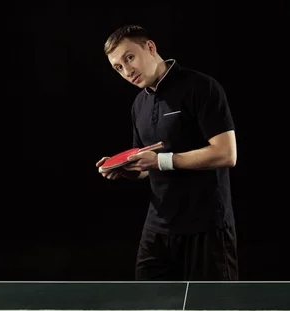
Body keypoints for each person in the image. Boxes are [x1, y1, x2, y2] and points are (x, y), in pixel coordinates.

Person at [96, 24, 238, 281]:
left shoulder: (202, 87)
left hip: (206, 229)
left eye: (129, 58)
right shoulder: (138, 105)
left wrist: (160, 161)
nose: (127, 71)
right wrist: (127, 169)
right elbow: (146, 167)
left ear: (150, 47)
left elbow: (226, 154)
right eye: (118, 67)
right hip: (158, 231)